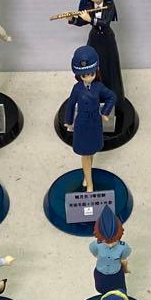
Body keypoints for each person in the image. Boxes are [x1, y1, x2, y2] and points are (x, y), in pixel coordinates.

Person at [68, 0, 125, 108]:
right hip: (94, 39)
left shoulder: (109, 6)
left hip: (107, 40)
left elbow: (105, 23)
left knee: (109, 67)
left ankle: (112, 97)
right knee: (93, 65)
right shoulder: (89, 5)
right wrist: (73, 19)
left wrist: (90, 19)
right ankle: (92, 95)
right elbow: (82, 22)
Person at [64, 46, 116, 192]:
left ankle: (87, 177)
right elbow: (70, 104)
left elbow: (112, 96)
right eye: (84, 75)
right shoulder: (77, 88)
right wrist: (68, 121)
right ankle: (90, 182)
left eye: (91, 74)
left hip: (95, 124)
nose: (88, 77)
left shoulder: (98, 87)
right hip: (82, 125)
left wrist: (105, 112)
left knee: (90, 152)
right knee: (85, 154)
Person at [88, 206, 132, 295]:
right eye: (106, 241)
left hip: (116, 274)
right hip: (101, 274)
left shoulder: (123, 247)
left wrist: (125, 269)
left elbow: (123, 259)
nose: (110, 244)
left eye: (114, 241)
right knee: (102, 292)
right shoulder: (95, 245)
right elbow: (95, 253)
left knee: (120, 292)